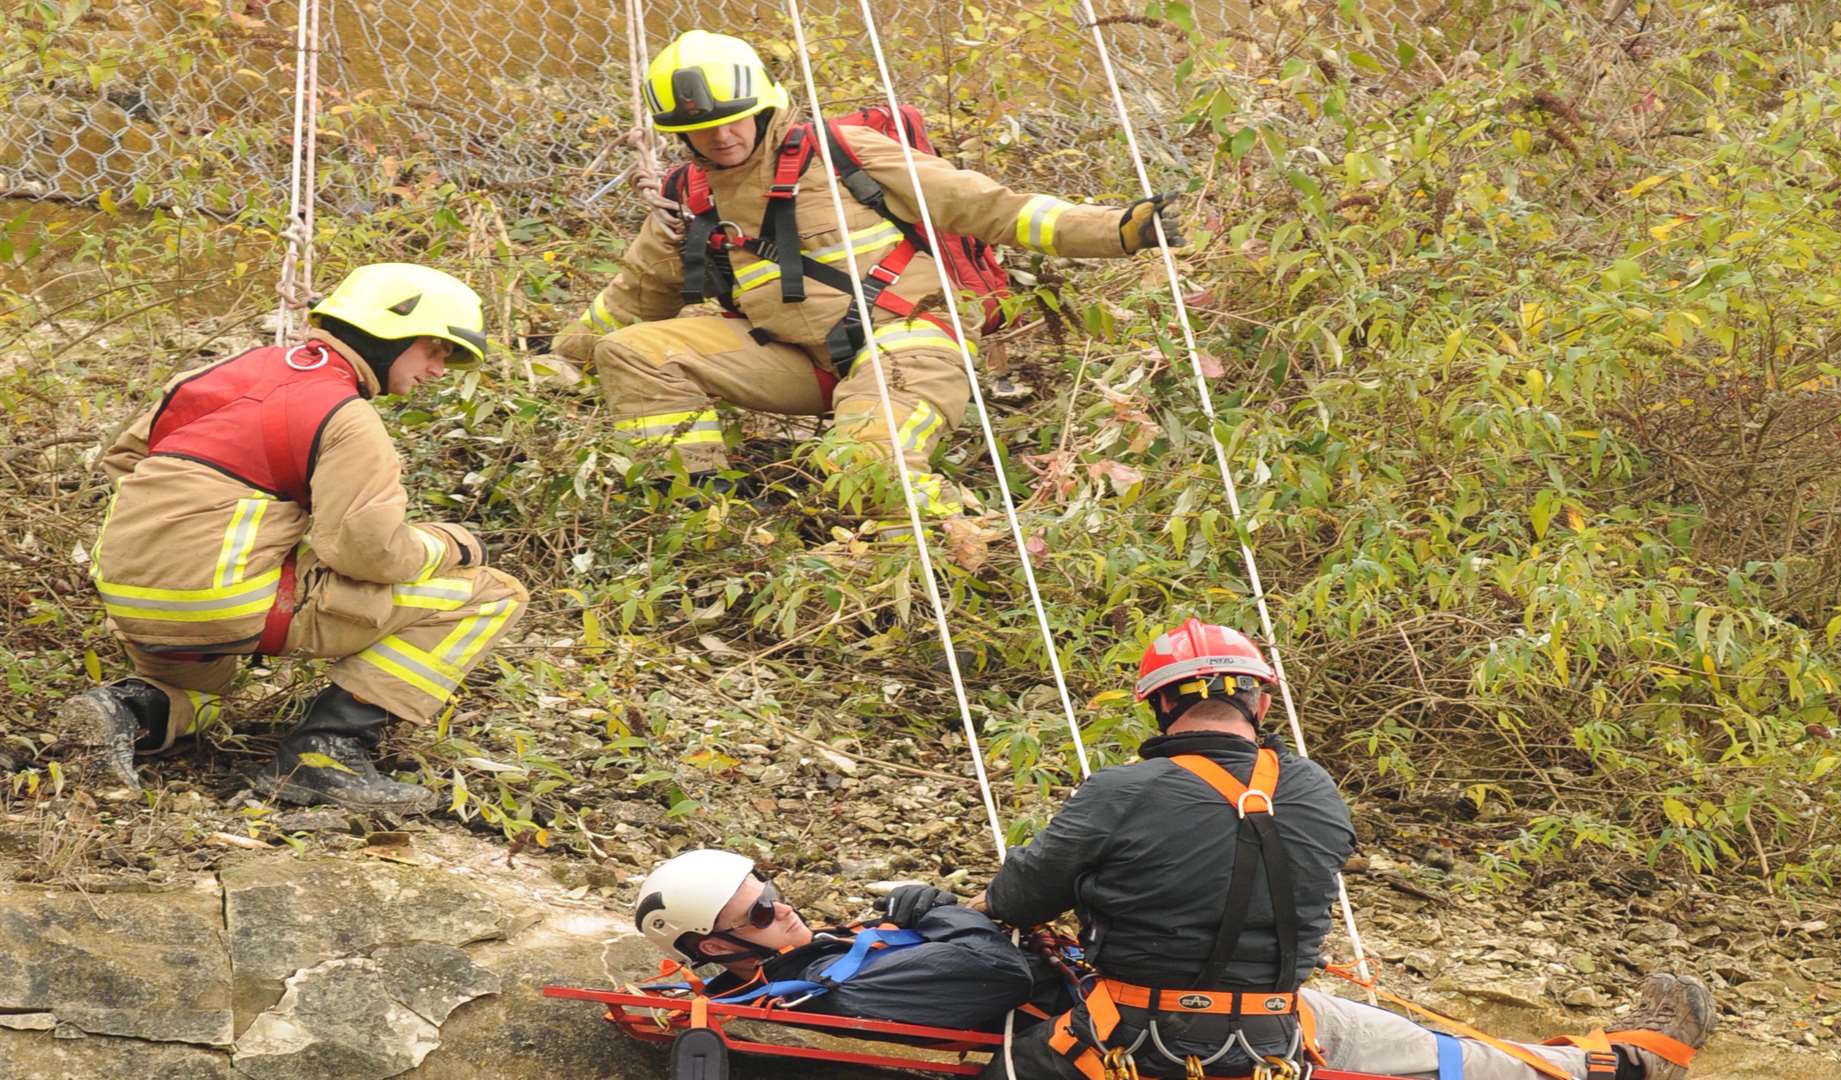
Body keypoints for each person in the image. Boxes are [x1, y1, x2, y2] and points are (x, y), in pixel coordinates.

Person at [973, 617, 1718, 1080]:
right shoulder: (1314, 788)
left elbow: (1016, 900)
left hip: (1128, 1035)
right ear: (1260, 702)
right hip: (1276, 1030)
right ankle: (1618, 1062)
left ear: (1161, 704)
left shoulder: (1121, 790)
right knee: (1451, 1052)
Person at [552, 30, 1183, 522]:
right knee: (630, 352)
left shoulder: (843, 151)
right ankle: (702, 510)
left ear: (765, 104)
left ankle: (966, 544)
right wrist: (556, 361)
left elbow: (995, 209)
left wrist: (1121, 229)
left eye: (731, 119)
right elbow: (634, 296)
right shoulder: (686, 194)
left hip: (907, 339)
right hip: (794, 359)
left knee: (864, 464)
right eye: (697, 129)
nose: (719, 137)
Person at [62, 263, 528, 814]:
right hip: (226, 600)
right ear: (391, 333)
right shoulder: (345, 414)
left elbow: (126, 460)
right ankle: (328, 752)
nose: (438, 370)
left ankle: (127, 710)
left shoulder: (223, 372)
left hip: (131, 595)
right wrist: (449, 545)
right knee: (492, 593)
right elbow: (363, 550)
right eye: (435, 350)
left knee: (206, 701)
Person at [632, 848, 1064, 1030]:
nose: (784, 910)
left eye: (772, 896)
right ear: (717, 946)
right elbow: (1001, 972)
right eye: (761, 913)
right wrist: (942, 914)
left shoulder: (823, 954)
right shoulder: (829, 984)